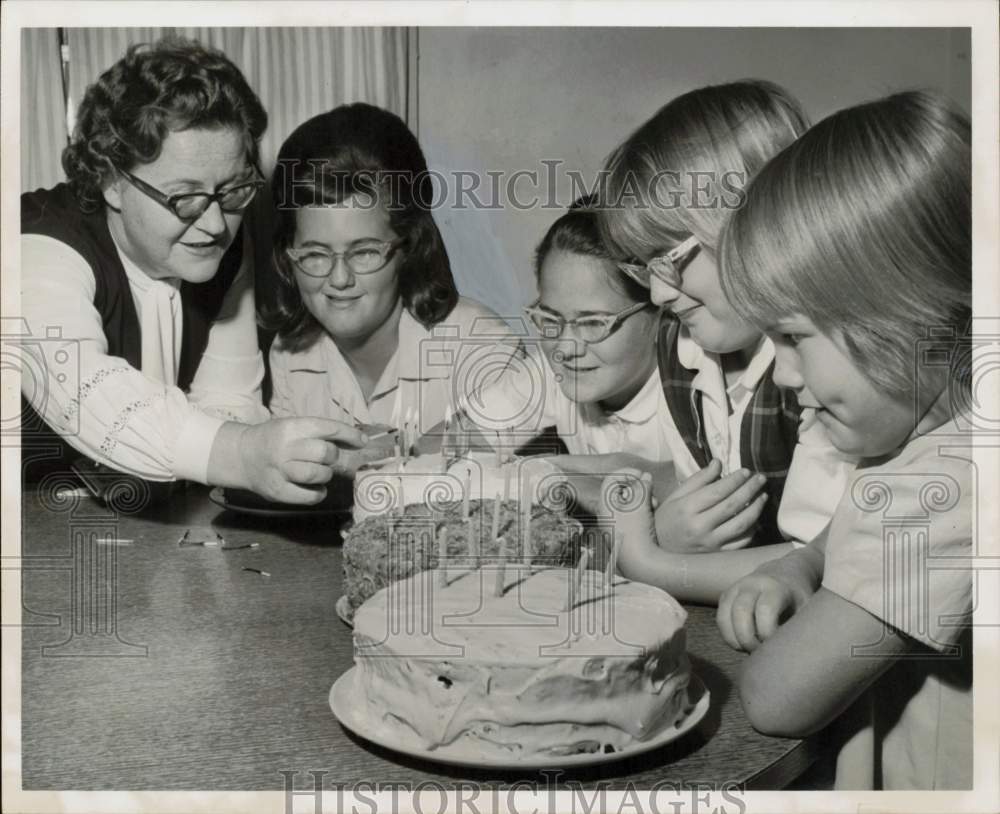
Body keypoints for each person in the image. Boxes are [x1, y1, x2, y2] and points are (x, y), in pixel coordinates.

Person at [710, 91, 972, 789]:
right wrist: (805, 565)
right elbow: (862, 530)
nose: (785, 374)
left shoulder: (934, 489)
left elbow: (777, 700)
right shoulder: (954, 445)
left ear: (911, 311)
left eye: (793, 337)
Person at [20, 38, 365, 505]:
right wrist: (243, 453)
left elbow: (230, 403)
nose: (216, 223)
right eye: (184, 197)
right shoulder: (35, 246)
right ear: (112, 182)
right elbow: (88, 395)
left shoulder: (219, 248)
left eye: (233, 190)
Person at [597, 80, 857, 567]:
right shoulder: (680, 342)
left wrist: (651, 560)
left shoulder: (821, 365)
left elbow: (826, 562)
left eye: (669, 257)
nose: (656, 293)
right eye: (640, 266)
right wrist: (672, 531)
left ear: (763, 222)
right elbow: (702, 503)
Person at [266, 103, 515, 440]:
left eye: (365, 251)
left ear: (409, 247)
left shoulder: (482, 349)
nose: (339, 279)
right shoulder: (289, 354)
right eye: (314, 254)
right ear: (287, 255)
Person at [462, 197, 674, 499]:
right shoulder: (554, 368)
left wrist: (555, 478)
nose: (565, 347)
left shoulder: (697, 387)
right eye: (550, 318)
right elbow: (457, 440)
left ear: (658, 312)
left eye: (592, 323)